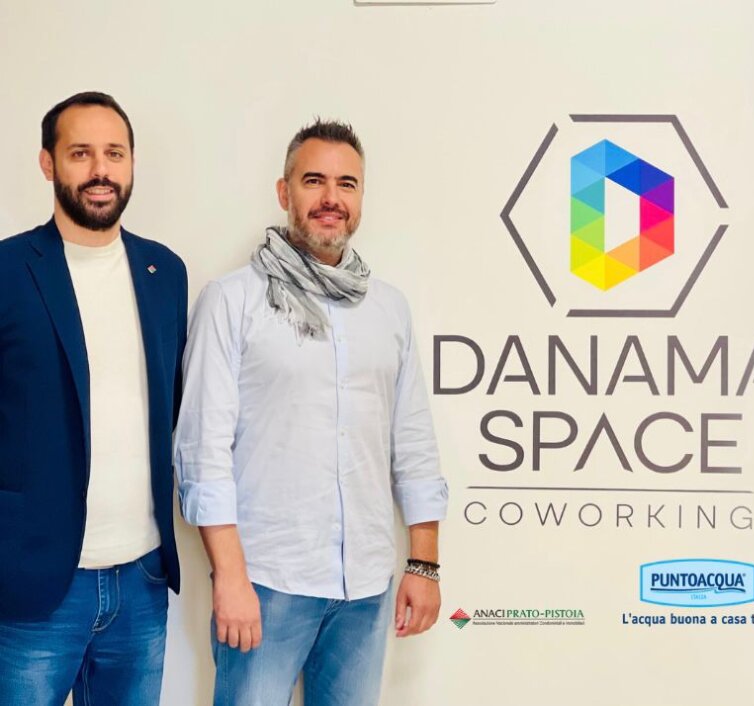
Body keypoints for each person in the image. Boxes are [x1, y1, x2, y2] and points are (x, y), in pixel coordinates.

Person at [175, 119, 447, 706]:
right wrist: (230, 577)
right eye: (314, 180)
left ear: (361, 198)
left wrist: (423, 565)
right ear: (284, 192)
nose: (331, 198)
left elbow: (413, 441)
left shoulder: (389, 309)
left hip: (365, 586)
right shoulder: (232, 300)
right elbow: (201, 450)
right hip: (267, 581)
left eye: (347, 184)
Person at [0, 91, 187, 705]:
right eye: (80, 153)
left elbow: (171, 406)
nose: (100, 170)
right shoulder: (8, 271)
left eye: (115, 153)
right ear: (48, 163)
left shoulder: (165, 272)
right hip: (32, 586)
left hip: (142, 579)